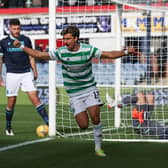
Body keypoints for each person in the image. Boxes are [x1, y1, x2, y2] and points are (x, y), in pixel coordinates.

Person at [13, 25, 134, 157]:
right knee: (83, 125)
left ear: (76, 38)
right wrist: (21, 46)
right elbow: (39, 54)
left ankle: (98, 147)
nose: (65, 42)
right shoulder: (61, 52)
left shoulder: (88, 49)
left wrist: (126, 52)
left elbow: (109, 54)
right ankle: (82, 109)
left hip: (89, 88)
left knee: (95, 117)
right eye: (64, 39)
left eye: (68, 39)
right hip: (74, 94)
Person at [0, 19, 49, 136]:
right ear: (10, 29)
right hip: (12, 74)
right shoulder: (3, 42)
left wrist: (35, 70)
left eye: (18, 28)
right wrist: (0, 77)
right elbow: (0, 60)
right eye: (14, 29)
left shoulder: (25, 40)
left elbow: (31, 56)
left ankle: (50, 125)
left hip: (27, 73)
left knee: (35, 99)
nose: (16, 31)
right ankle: (8, 127)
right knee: (11, 103)